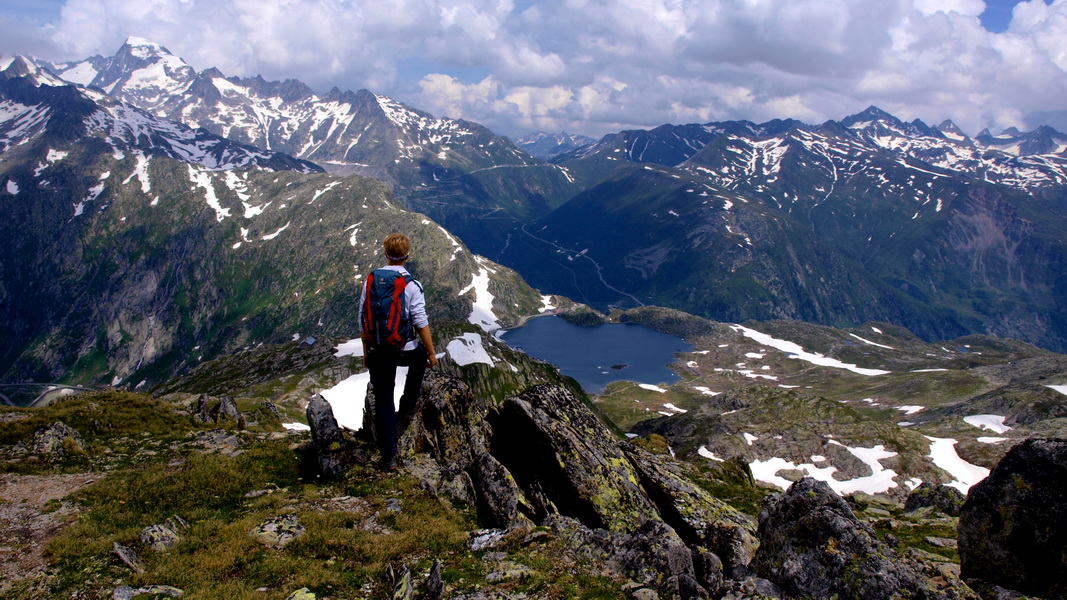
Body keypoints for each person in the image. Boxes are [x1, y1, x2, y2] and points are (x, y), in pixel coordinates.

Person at [358, 233, 437, 471]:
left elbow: (363, 320)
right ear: (407, 256)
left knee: (383, 400)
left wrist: (366, 351)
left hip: (379, 350)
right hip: (405, 350)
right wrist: (431, 353)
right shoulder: (412, 285)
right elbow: (420, 321)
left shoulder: (371, 280)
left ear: (385, 254)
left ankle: (389, 458)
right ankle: (408, 405)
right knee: (420, 356)